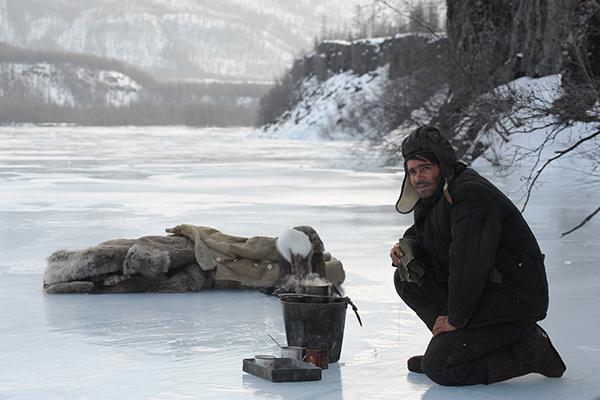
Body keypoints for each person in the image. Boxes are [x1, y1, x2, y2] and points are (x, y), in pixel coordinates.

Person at [389, 125, 566, 385]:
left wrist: (457, 318)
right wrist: (406, 248)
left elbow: (469, 262)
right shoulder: (439, 194)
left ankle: (528, 350)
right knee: (407, 279)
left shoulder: (471, 196)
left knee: (439, 368)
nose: (418, 178)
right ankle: (454, 347)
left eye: (425, 168)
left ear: (442, 164)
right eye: (412, 171)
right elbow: (427, 229)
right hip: (486, 292)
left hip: (513, 301)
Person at [44, 224, 345, 294]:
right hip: (199, 251)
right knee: (128, 253)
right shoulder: (273, 250)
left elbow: (334, 271)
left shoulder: (283, 275)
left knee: (137, 276)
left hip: (203, 269)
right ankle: (63, 270)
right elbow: (240, 247)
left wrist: (311, 271)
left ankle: (75, 280)